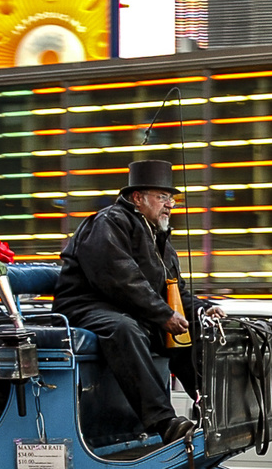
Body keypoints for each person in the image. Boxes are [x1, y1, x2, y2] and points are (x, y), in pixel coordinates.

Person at [53, 159, 220, 443]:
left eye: (171, 199)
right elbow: (119, 279)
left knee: (193, 331)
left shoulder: (160, 239)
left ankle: (212, 406)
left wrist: (203, 310)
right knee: (124, 328)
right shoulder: (108, 222)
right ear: (138, 198)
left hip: (130, 309)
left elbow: (173, 293)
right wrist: (163, 314)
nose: (170, 204)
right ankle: (163, 421)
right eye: (162, 197)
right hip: (87, 307)